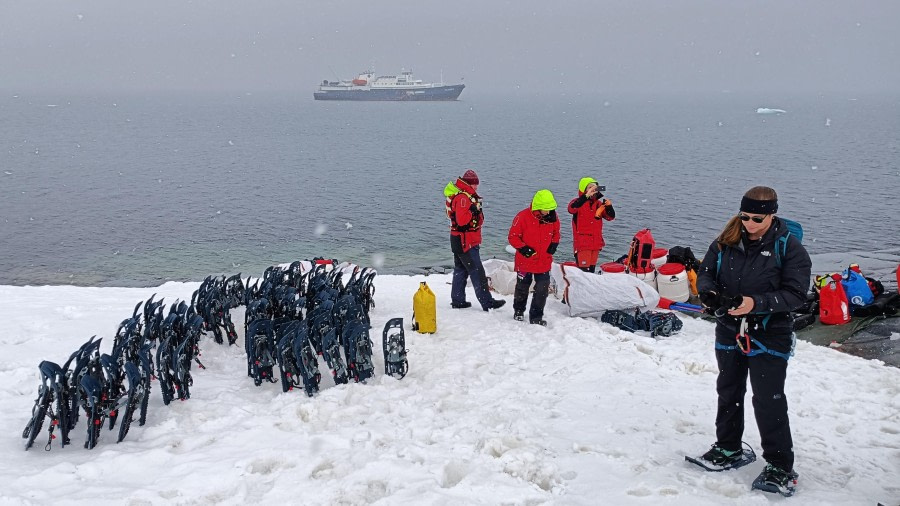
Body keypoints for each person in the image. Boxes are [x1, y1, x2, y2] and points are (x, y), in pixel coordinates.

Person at [695, 186, 811, 496]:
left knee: (767, 397)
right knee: (729, 389)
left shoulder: (790, 247)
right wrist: (709, 293)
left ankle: (780, 465)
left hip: (770, 333)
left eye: (756, 218)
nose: (748, 223)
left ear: (772, 214)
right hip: (730, 327)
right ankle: (729, 447)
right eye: (744, 216)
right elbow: (705, 272)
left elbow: (797, 295)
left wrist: (755, 303)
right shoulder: (726, 240)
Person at [444, 169, 506, 311]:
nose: (476, 187)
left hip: (457, 239)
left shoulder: (460, 195)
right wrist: (473, 210)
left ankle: (458, 300)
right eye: (474, 184)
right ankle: (487, 302)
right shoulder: (464, 199)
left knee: (461, 270)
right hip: (466, 242)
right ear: (469, 184)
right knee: (477, 272)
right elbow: (462, 221)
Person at [507, 189, 561, 326]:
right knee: (522, 287)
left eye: (550, 209)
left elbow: (556, 233)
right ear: (538, 207)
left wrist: (554, 244)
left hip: (544, 260)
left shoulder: (553, 218)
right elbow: (513, 237)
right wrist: (523, 248)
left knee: (542, 289)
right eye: (546, 209)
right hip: (525, 260)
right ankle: (519, 311)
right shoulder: (522, 217)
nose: (548, 212)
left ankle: (536, 316)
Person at [567, 177, 615, 272]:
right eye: (590, 187)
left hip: (596, 243)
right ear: (584, 189)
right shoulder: (577, 202)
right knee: (584, 273)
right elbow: (571, 209)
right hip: (583, 244)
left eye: (595, 187)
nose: (593, 189)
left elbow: (610, 217)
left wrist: (609, 207)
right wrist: (586, 196)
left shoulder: (598, 204)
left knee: (591, 272)